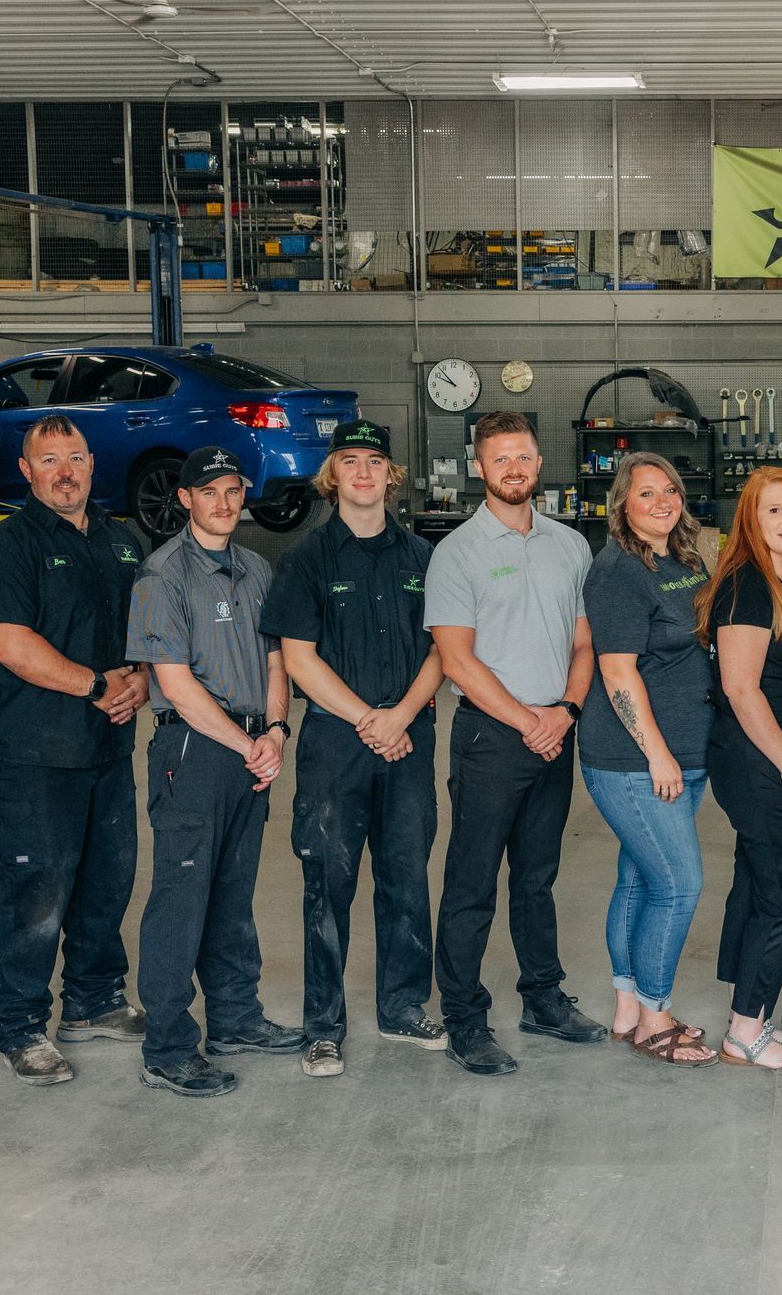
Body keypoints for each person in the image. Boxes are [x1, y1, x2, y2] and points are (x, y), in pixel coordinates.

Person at [259, 419, 447, 1078]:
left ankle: (401, 1005)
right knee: (327, 882)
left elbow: (442, 650)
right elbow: (298, 659)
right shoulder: (306, 560)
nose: (364, 473)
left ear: (391, 476)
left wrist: (399, 717)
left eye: (375, 462)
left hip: (408, 739)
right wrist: (371, 718)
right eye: (350, 461)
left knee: (405, 876)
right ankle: (323, 1026)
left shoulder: (425, 559)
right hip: (338, 745)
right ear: (332, 475)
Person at [0, 415, 151, 1085]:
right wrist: (98, 683)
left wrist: (141, 679)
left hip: (106, 744)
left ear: (92, 465)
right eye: (50, 460)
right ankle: (20, 1023)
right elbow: (10, 644)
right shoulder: (5, 546)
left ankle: (94, 1000)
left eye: (75, 457)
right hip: (32, 752)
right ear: (27, 470)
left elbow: (146, 630)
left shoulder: (118, 541)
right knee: (35, 889)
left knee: (108, 878)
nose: (65, 471)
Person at [424, 411, 606, 1077]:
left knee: (538, 876)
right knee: (472, 882)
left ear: (538, 460)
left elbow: (583, 641)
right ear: (480, 468)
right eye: (500, 459)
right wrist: (528, 719)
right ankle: (466, 1018)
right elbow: (455, 658)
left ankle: (543, 998)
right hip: (490, 737)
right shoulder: (457, 552)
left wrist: (564, 710)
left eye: (524, 457)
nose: (514, 469)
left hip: (555, 732)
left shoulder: (570, 545)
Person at [126, 445, 304, 1097]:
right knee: (181, 897)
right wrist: (243, 742)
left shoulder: (258, 568)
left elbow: (278, 661)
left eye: (233, 490)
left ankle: (234, 1018)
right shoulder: (161, 574)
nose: (224, 502)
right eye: (210, 491)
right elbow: (171, 680)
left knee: (233, 891)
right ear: (185, 499)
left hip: (251, 746)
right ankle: (167, 1045)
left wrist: (276, 732)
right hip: (194, 752)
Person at [580, 453, 717, 1068]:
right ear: (622, 506)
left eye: (669, 491)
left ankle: (628, 1008)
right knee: (679, 884)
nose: (662, 502)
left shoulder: (682, 560)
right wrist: (657, 753)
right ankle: (657, 1018)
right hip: (635, 761)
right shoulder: (616, 572)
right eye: (646, 494)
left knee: (638, 877)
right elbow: (616, 672)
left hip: (687, 750)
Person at [697, 467, 782, 1071]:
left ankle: (750, 1011)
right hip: (763, 760)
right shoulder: (748, 585)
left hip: (776, 760)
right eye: (772, 511)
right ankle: (745, 1032)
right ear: (749, 519)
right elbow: (740, 688)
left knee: (760, 883)